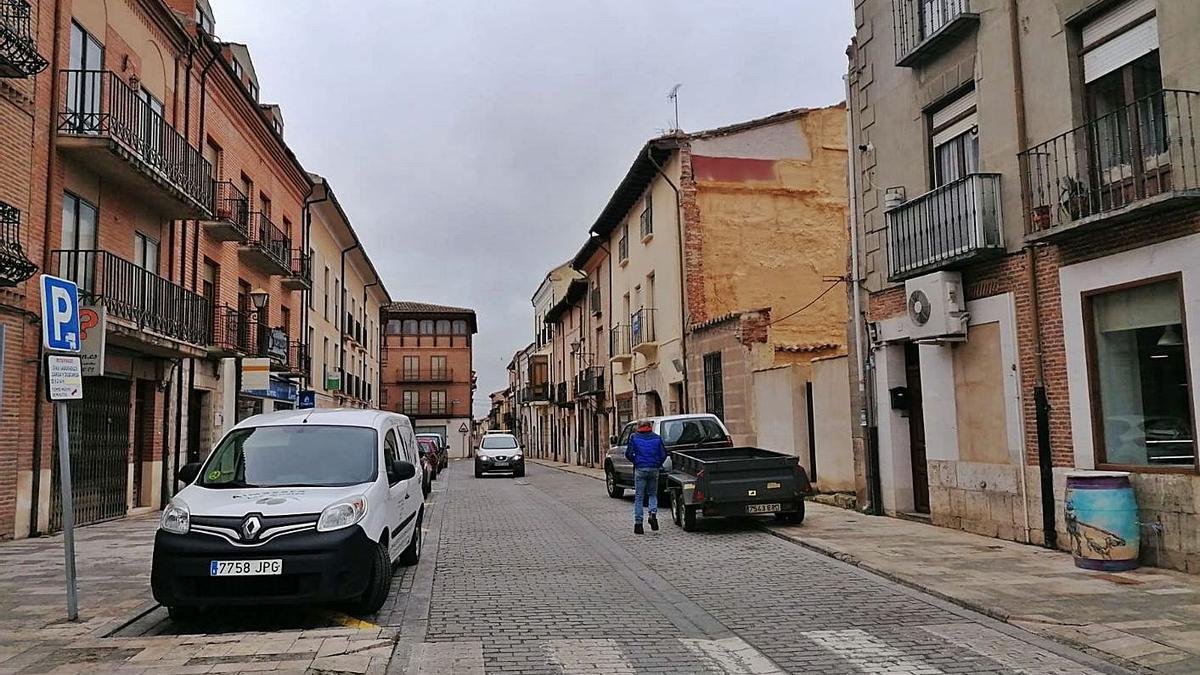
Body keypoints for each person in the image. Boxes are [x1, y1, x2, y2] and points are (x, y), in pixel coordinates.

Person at [624, 420, 668, 534]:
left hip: (640, 468)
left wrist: (636, 461)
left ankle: (638, 524)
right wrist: (657, 464)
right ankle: (652, 513)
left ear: (639, 427)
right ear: (650, 427)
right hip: (654, 468)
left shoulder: (634, 437)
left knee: (639, 497)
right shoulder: (657, 438)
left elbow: (628, 453)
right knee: (652, 494)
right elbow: (663, 454)